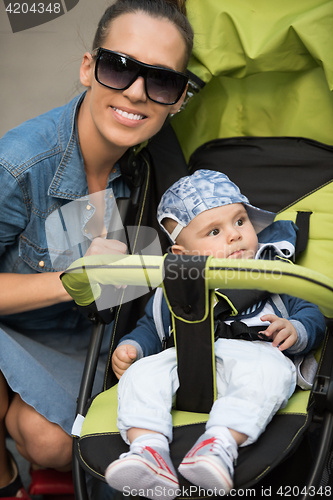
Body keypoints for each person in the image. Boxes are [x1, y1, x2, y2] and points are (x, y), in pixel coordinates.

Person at [0, 0, 194, 497]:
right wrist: (73, 280)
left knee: (51, 445)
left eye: (162, 82)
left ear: (179, 100)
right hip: (12, 328)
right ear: (89, 68)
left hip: (82, 336)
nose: (136, 92)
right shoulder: (19, 165)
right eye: (118, 67)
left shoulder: (157, 169)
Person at [106, 170, 326, 499]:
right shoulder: (177, 285)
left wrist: (296, 329)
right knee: (141, 373)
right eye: (214, 231)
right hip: (188, 365)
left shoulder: (274, 270)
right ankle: (147, 450)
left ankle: (219, 445)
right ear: (182, 255)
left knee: (271, 370)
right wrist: (132, 348)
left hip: (255, 355)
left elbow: (312, 314)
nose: (235, 235)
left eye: (240, 221)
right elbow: (152, 328)